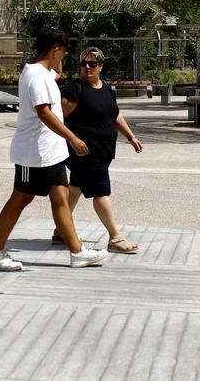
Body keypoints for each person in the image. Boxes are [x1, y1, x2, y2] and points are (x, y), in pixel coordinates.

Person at [0, 28, 109, 271]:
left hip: (51, 153)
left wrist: (55, 59)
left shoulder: (44, 73)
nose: (64, 58)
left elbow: (56, 73)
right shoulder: (36, 76)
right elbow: (44, 112)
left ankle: (77, 252)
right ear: (55, 50)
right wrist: (73, 137)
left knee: (60, 198)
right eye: (63, 52)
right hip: (34, 153)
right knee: (20, 199)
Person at [56, 47, 144, 254]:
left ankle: (61, 230)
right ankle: (116, 238)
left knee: (75, 189)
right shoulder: (74, 89)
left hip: (103, 152)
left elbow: (114, 115)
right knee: (101, 192)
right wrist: (72, 140)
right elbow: (58, 118)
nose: (87, 67)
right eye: (83, 63)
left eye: (92, 64)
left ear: (100, 66)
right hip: (84, 153)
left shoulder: (107, 89)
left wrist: (130, 136)